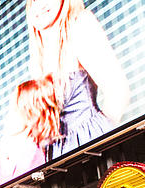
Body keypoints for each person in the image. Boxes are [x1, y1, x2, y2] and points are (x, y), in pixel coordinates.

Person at [25, 0, 129, 159]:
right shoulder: (38, 50)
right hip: (58, 160)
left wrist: (97, 144)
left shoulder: (79, 24)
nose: (40, 4)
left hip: (90, 153)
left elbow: (118, 93)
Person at [0, 75, 62, 185]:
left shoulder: (34, 154)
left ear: (31, 115)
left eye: (14, 110)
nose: (8, 116)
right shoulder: (5, 150)